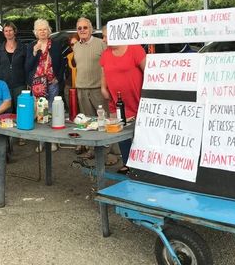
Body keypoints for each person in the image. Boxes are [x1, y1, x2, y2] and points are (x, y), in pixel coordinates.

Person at [100, 25, 146, 174]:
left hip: (137, 99)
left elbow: (148, 72)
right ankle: (127, 163)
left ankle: (142, 164)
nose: (104, 39)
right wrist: (103, 88)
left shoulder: (134, 49)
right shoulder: (106, 54)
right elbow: (104, 73)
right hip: (116, 102)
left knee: (140, 133)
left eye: (106, 36)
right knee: (121, 133)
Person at [74, 18, 118, 163]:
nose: (82, 30)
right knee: (88, 122)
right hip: (81, 88)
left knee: (105, 122)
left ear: (91, 29)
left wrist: (106, 87)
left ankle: (112, 154)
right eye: (79, 28)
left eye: (85, 27)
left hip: (98, 89)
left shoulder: (101, 44)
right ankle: (93, 150)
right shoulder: (76, 46)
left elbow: (110, 65)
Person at [25, 19, 65, 152]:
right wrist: (35, 53)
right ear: (36, 32)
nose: (42, 31)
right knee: (40, 113)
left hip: (52, 82)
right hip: (37, 85)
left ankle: (53, 141)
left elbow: (61, 64)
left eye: (44, 29)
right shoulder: (31, 46)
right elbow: (28, 66)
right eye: (39, 29)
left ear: (49, 31)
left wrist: (58, 78)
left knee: (53, 112)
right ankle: (41, 141)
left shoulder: (56, 44)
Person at [0, 22, 26, 145]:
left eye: (10, 30)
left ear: (15, 31)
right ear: (3, 33)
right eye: (6, 31)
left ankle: (21, 134)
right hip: (3, 84)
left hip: (20, 83)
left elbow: (26, 66)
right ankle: (8, 133)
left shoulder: (23, 47)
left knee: (20, 109)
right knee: (7, 109)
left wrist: (27, 81)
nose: (8, 33)